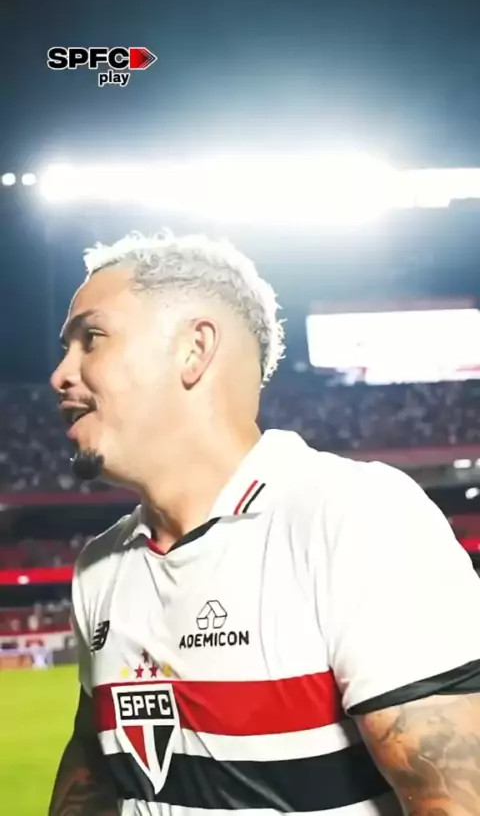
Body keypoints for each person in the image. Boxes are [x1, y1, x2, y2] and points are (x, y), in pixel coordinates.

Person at [49, 231, 480, 816]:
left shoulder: (353, 517)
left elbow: (453, 798)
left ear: (194, 349)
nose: (60, 374)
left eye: (91, 339)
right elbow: (94, 778)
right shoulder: (101, 567)